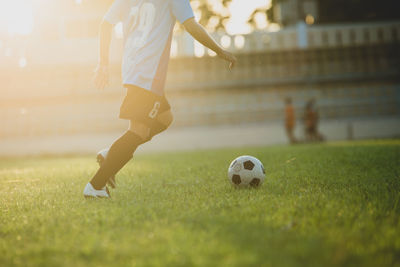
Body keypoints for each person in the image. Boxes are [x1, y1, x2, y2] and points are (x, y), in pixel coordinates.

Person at [83, 0, 237, 198]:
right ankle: (95, 186)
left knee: (165, 119)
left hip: (133, 71)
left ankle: (111, 155)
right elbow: (190, 25)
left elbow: (106, 24)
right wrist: (220, 51)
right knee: (138, 131)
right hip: (148, 73)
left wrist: (103, 64)